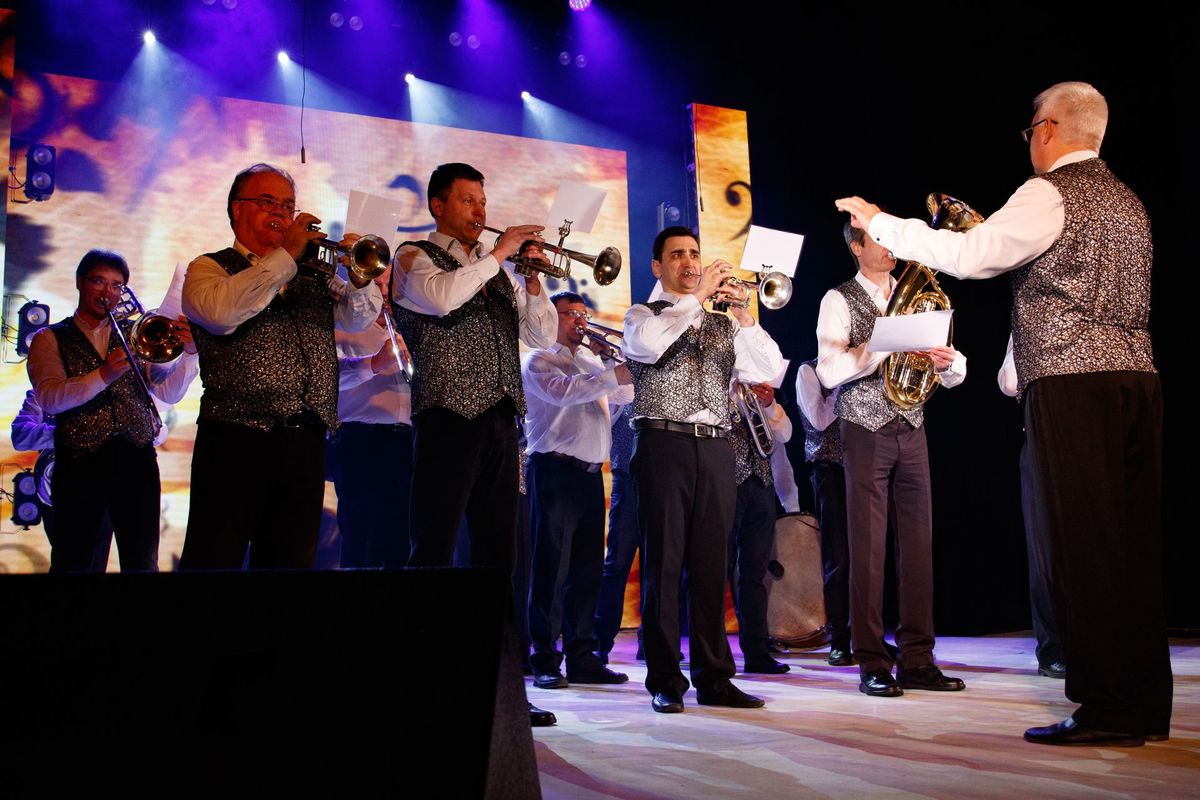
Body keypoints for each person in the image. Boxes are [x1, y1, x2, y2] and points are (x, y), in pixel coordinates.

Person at [837, 81, 1168, 744]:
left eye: (1030, 130)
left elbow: (971, 256)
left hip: (1073, 383)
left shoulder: (1050, 192)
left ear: (1048, 129)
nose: (1029, 142)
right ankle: (1143, 702)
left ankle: (1107, 707)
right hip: (1138, 380)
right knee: (1133, 546)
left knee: (1083, 545)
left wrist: (881, 222)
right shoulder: (1128, 200)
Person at [390, 162, 557, 727]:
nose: (480, 212)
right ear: (438, 206)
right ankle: (421, 682)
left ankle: (502, 688)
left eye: (483, 202)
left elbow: (540, 335)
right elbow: (440, 299)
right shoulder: (413, 256)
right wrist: (498, 255)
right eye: (468, 201)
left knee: (498, 559)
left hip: (500, 422)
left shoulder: (496, 271)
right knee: (433, 549)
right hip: (446, 418)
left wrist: (530, 281)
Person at [180, 163, 383, 570]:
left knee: (289, 571)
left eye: (287, 206)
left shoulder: (313, 274)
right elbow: (221, 314)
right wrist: (286, 255)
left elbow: (358, 318)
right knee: (213, 564)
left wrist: (360, 278)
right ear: (237, 209)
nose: (280, 213)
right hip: (234, 439)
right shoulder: (208, 268)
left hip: (303, 442)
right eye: (267, 202)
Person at [623, 226, 783, 714]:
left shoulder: (722, 323)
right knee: (664, 565)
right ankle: (665, 679)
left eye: (694, 253)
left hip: (715, 447)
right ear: (658, 266)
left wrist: (744, 315)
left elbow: (768, 371)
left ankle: (714, 677)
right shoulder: (642, 314)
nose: (690, 262)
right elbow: (648, 347)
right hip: (662, 444)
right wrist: (697, 299)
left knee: (713, 566)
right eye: (677, 255)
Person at [815, 222, 967, 698]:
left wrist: (947, 363)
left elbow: (956, 369)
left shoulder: (917, 295)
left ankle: (918, 658)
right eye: (879, 239)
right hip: (865, 428)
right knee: (867, 548)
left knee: (919, 546)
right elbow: (828, 371)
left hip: (912, 425)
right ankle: (872, 661)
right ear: (857, 247)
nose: (890, 247)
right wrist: (879, 347)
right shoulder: (838, 299)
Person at [27, 248, 199, 571]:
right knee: (75, 563)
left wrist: (190, 353)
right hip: (81, 463)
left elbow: (167, 393)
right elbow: (50, 397)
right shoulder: (49, 338)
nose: (108, 292)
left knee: (142, 563)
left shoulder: (135, 334)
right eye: (99, 281)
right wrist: (104, 375)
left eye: (117, 285)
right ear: (79, 282)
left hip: (137, 461)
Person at [523, 291, 634, 689]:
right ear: (549, 317)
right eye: (570, 313)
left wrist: (611, 362)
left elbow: (624, 397)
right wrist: (608, 374)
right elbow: (564, 391)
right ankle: (544, 659)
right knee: (551, 569)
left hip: (589, 475)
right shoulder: (538, 359)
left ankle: (582, 657)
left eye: (583, 314)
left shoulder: (590, 361)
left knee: (587, 571)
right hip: (553, 471)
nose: (579, 321)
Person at [330, 288, 412, 569]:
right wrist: (374, 364)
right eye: (377, 280)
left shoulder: (408, 327)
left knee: (402, 542)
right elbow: (326, 377)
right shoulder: (341, 323)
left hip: (408, 443)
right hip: (361, 441)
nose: (384, 289)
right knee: (362, 540)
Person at [998, 336, 1065, 680]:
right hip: (1041, 443)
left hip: (1085, 442)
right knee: (1045, 553)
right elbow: (1009, 383)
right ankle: (1053, 649)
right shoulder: (1027, 323)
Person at [726, 381, 793, 675]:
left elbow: (785, 434)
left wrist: (768, 405)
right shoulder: (714, 378)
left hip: (760, 483)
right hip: (724, 482)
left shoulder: (754, 388)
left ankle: (756, 651)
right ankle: (713, 652)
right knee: (712, 570)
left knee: (754, 572)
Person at [794, 358, 852, 666]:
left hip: (861, 467)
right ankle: (840, 639)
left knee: (865, 558)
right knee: (837, 558)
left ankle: (868, 635)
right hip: (829, 471)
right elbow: (818, 420)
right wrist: (846, 384)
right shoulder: (808, 371)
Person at [593, 402, 641, 664]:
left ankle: (652, 640)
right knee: (617, 563)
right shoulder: (616, 380)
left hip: (661, 476)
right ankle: (600, 641)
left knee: (660, 566)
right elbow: (603, 422)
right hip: (626, 474)